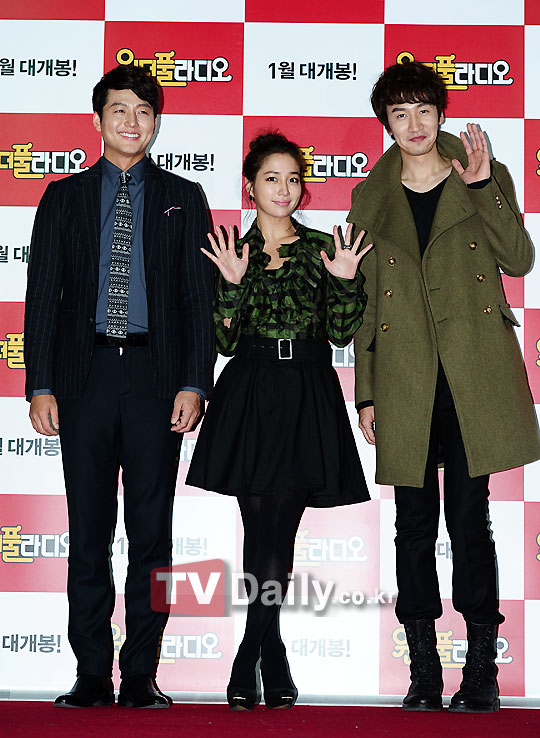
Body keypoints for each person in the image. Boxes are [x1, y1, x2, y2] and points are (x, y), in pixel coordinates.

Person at [348, 61, 540, 714]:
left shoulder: (479, 171)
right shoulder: (370, 199)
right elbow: (366, 303)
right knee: (412, 524)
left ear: (440, 113)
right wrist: (366, 393)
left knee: (469, 519)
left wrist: (483, 188)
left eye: (424, 110)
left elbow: (519, 259)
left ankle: (481, 669)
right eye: (400, 113)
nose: (414, 124)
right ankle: (424, 671)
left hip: (470, 374)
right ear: (387, 123)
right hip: (406, 377)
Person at [24, 64, 214, 708]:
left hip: (158, 378)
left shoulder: (183, 197)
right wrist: (40, 384)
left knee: (152, 534)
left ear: (156, 123)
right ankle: (90, 673)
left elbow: (197, 298)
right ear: (98, 119)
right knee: (88, 532)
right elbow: (42, 296)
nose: (132, 122)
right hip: (84, 377)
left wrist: (194, 382)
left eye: (144, 111)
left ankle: (140, 675)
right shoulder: (63, 197)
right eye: (119, 110)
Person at [187, 132, 371, 710]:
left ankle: (249, 653)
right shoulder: (229, 250)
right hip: (249, 389)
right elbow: (222, 341)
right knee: (260, 530)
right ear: (250, 186)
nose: (284, 189)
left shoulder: (325, 248)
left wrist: (346, 279)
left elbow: (340, 333)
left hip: (306, 391)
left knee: (279, 531)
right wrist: (231, 284)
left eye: (293, 179)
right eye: (272, 178)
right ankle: (272, 651)